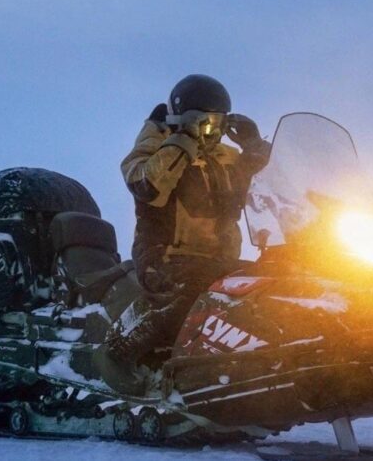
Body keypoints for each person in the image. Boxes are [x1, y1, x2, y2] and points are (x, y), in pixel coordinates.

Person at [96, 74, 270, 393]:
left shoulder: (226, 159)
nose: (212, 131)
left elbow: (266, 187)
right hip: (164, 259)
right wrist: (184, 141)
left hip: (218, 260)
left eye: (219, 122)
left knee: (269, 286)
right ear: (182, 118)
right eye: (204, 121)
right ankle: (119, 353)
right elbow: (147, 187)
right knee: (193, 292)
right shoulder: (152, 151)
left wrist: (257, 150)